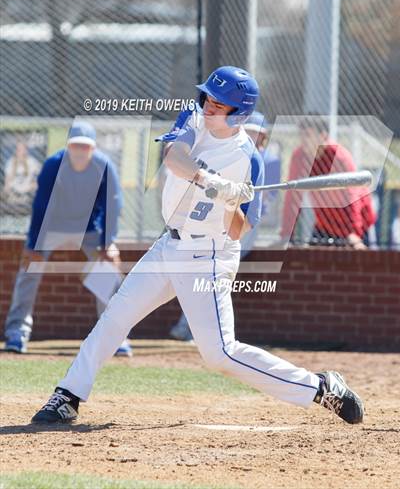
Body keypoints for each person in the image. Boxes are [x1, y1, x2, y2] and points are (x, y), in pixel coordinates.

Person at [31, 67, 363, 425]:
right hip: (168, 244)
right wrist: (211, 180)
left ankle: (321, 387)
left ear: (239, 113)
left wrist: (232, 201)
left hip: (209, 255)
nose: (208, 106)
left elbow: (238, 231)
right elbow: (174, 159)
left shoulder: (248, 161)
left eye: (219, 104)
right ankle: (68, 395)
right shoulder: (193, 115)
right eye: (208, 97)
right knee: (115, 317)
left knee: (219, 354)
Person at [3, 121, 132, 357]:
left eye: (86, 147)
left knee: (106, 271)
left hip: (89, 228)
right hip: (53, 227)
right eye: (76, 146)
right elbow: (40, 205)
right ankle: (16, 333)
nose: (81, 152)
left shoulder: (104, 166)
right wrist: (33, 245)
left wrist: (108, 242)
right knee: (29, 268)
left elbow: (112, 204)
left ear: (93, 149)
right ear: (68, 147)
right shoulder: (53, 165)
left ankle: (116, 337)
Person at [169, 110, 281, 341]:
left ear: (264, 137)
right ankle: (196, 328)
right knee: (205, 273)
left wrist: (241, 199)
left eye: (257, 134)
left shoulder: (267, 161)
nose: (253, 138)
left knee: (215, 272)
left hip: (242, 222)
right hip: (209, 220)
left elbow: (265, 200)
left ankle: (200, 330)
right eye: (249, 132)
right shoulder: (229, 153)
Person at [281, 114, 376, 249]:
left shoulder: (340, 157)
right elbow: (292, 197)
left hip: (358, 224)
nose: (303, 140)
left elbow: (352, 197)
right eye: (301, 135)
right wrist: (286, 234)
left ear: (323, 136)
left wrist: (354, 233)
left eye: (308, 135)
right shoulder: (299, 157)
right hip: (325, 224)